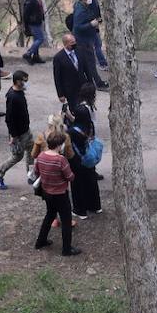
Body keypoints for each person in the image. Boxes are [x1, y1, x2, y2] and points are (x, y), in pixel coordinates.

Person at [33, 130, 82, 255]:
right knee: (66, 220)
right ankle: (66, 249)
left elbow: (36, 173)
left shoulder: (41, 156)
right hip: (60, 194)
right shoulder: (61, 160)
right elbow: (70, 177)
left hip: (47, 192)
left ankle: (40, 241)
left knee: (49, 216)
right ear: (60, 145)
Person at [0, 70, 33, 190]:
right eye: (25, 81)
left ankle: (31, 173)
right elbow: (9, 119)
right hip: (19, 134)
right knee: (17, 157)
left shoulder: (19, 92)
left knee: (32, 149)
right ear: (18, 81)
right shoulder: (13, 97)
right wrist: (13, 136)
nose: (26, 83)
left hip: (26, 130)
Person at [67, 83, 102, 218]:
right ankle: (95, 205)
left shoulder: (72, 132)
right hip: (89, 156)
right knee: (91, 180)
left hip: (77, 160)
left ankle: (80, 210)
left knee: (77, 184)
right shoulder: (90, 126)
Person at [69, 0, 108, 91]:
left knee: (84, 62)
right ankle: (98, 83)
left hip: (86, 39)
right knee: (90, 62)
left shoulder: (84, 7)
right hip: (82, 41)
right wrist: (91, 24)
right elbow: (78, 27)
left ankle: (85, 82)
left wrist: (96, 20)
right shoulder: (80, 11)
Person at [52, 32, 85, 119]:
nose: (74, 44)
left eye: (74, 41)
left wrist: (90, 84)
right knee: (74, 111)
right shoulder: (58, 58)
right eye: (72, 43)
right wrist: (60, 94)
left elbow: (86, 69)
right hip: (70, 90)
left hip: (82, 86)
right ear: (66, 44)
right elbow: (57, 78)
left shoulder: (80, 51)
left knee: (85, 109)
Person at [21, 0, 48, 64]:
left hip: (38, 21)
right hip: (33, 22)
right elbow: (25, 14)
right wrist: (26, 26)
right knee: (40, 39)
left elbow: (40, 7)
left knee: (36, 39)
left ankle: (36, 56)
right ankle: (28, 53)